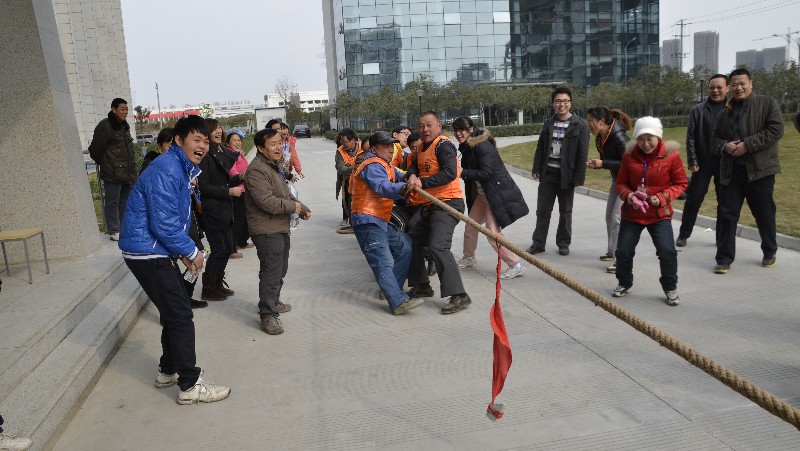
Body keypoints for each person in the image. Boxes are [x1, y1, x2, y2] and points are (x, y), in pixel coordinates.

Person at [118, 115, 230, 404]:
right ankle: (190, 386)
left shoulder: (179, 167)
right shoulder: (168, 169)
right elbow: (164, 223)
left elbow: (170, 221)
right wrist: (191, 252)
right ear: (179, 140)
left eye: (206, 141)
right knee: (181, 316)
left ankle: (168, 371)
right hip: (147, 251)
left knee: (174, 312)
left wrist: (183, 252)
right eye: (196, 139)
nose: (202, 146)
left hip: (153, 249)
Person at [711, 68, 784, 274]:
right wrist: (725, 146)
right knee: (727, 215)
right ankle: (723, 259)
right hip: (731, 172)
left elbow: (776, 130)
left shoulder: (767, 103)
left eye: (742, 83)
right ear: (729, 87)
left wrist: (747, 145)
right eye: (734, 84)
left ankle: (769, 251)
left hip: (760, 171)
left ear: (751, 84)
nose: (739, 88)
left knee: (764, 214)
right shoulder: (724, 113)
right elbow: (714, 140)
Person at [613, 117, 688, 306]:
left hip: (659, 214)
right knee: (623, 251)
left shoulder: (671, 155)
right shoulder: (629, 156)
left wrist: (662, 197)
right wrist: (629, 196)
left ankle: (670, 287)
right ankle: (624, 282)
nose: (645, 144)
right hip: (633, 213)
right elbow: (620, 183)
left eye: (650, 139)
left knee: (667, 251)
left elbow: (681, 183)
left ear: (658, 137)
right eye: (641, 139)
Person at [244, 128, 311, 335]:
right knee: (271, 272)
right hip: (266, 229)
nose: (278, 147)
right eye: (272, 144)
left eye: (279, 143)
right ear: (260, 148)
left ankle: (273, 301)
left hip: (279, 226)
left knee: (280, 269)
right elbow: (267, 202)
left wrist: (301, 207)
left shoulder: (273, 166)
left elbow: (285, 194)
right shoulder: (256, 170)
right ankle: (267, 314)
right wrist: (294, 207)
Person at [405, 111, 472, 314]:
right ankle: (422, 285)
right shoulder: (421, 148)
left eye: (429, 125)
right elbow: (412, 168)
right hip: (430, 206)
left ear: (439, 126)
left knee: (438, 246)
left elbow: (450, 173)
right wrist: (412, 175)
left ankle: (459, 294)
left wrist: (422, 182)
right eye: (421, 126)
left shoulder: (443, 145)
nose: (425, 129)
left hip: (448, 204)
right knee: (410, 242)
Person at [351, 131, 424, 314]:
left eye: (391, 146)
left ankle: (390, 289)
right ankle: (397, 302)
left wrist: (411, 177)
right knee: (382, 261)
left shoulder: (386, 164)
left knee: (405, 246)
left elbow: (400, 175)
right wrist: (404, 187)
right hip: (367, 221)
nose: (391, 150)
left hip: (380, 219)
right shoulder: (373, 165)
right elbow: (382, 186)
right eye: (386, 146)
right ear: (374, 149)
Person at [451, 117, 529, 280]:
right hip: (483, 194)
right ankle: (469, 256)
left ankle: (515, 264)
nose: (458, 133)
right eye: (455, 130)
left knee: (492, 233)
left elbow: (487, 173)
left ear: (471, 129)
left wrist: (462, 172)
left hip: (495, 194)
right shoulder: (467, 146)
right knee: (471, 226)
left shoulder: (482, 145)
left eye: (462, 129)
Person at [527, 87, 589, 256]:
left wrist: (579, 177)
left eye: (565, 101)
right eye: (558, 101)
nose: (562, 104)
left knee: (565, 212)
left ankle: (563, 243)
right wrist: (536, 168)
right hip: (548, 173)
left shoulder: (580, 125)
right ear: (553, 104)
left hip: (566, 176)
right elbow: (540, 147)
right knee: (542, 211)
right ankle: (538, 243)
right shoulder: (548, 123)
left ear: (570, 103)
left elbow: (582, 154)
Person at [676, 74, 730, 248]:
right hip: (702, 164)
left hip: (725, 164)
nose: (715, 90)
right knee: (694, 199)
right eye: (712, 87)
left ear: (727, 88)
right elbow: (691, 137)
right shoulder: (697, 110)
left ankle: (721, 238)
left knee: (724, 202)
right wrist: (692, 160)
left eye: (719, 87)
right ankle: (683, 234)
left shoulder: (733, 109)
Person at [586, 107, 632, 274]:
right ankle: (612, 251)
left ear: (601, 122)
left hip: (628, 182)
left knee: (616, 218)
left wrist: (603, 163)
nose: (588, 124)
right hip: (617, 180)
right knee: (609, 217)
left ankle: (621, 261)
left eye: (590, 121)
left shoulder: (619, 137)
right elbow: (608, 160)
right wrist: (597, 164)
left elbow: (629, 164)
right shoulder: (601, 137)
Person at [198, 119, 241, 299]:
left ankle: (217, 283)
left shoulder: (220, 151)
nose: (218, 131)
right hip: (212, 211)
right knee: (217, 249)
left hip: (224, 210)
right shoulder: (204, 156)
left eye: (219, 128)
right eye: (213, 129)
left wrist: (241, 177)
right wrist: (229, 191)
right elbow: (203, 187)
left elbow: (224, 181)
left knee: (226, 249)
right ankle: (208, 288)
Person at [88, 98, 136, 241]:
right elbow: (95, 149)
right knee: (112, 202)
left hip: (126, 172)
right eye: (122, 109)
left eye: (126, 109)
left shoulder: (124, 126)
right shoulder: (105, 125)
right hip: (112, 172)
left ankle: (123, 228)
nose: (125, 112)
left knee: (124, 201)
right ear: (113, 109)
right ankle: (114, 230)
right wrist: (106, 163)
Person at [226, 131, 253, 251]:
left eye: (239, 140)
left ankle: (242, 241)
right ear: (227, 143)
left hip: (245, 189)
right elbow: (233, 172)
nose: (238, 142)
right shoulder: (230, 156)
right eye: (234, 140)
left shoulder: (238, 154)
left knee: (246, 218)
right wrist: (242, 177)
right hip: (238, 191)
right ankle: (233, 246)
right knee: (238, 219)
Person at [334, 129, 360, 233]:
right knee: (347, 200)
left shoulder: (363, 147)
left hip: (361, 180)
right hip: (347, 179)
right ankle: (347, 219)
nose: (344, 144)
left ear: (353, 140)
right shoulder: (340, 151)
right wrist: (355, 167)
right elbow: (341, 169)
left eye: (346, 142)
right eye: (342, 142)